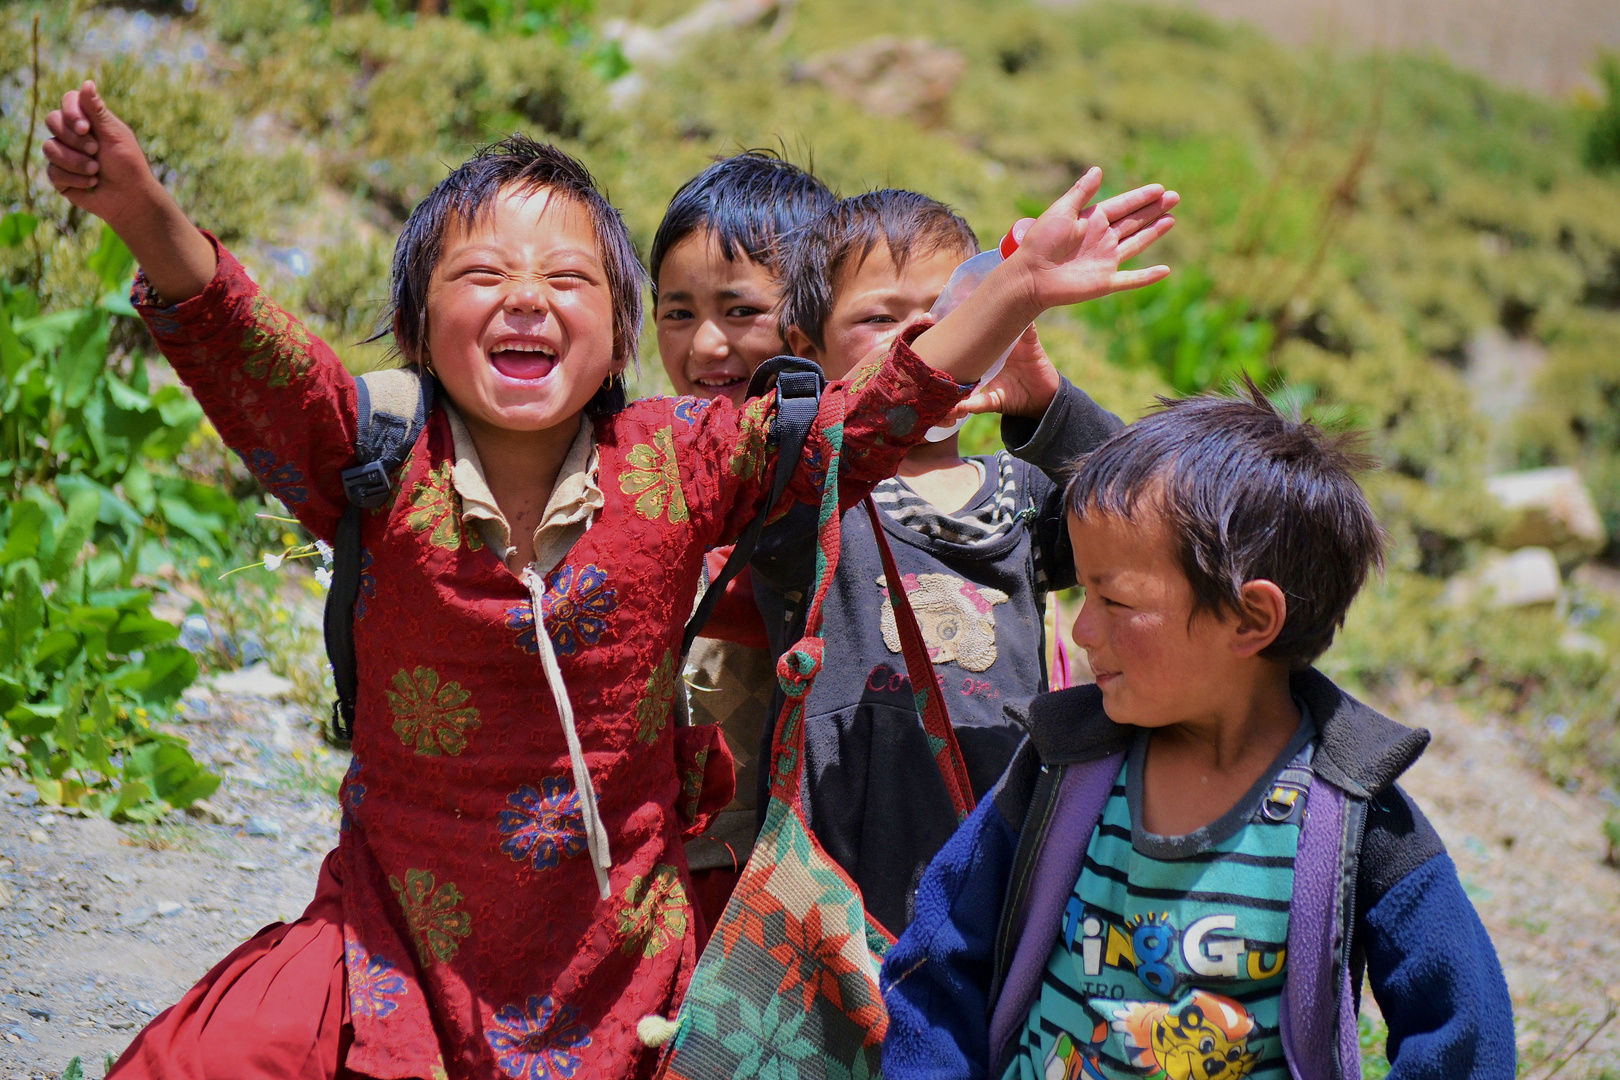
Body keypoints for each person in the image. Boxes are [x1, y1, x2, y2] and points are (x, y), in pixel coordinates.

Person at [42, 78, 1177, 1080]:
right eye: (481, 272)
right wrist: (141, 210)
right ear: (417, 318)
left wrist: (1018, 286)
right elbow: (245, 343)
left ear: (615, 325)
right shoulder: (371, 457)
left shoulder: (682, 461)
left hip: (626, 959)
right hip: (393, 933)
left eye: (568, 276)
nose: (526, 296)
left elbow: (867, 416)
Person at [880, 387, 1517, 1080]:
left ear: (1250, 620)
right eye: (1081, 596)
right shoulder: (1061, 768)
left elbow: (1465, 1032)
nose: (1083, 630)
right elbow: (939, 958)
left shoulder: (1356, 814)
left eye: (1114, 600)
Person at [757, 188, 1175, 934]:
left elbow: (1146, 520)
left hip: (999, 860)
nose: (926, 336)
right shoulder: (813, 489)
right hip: (837, 883)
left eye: (961, 310)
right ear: (805, 343)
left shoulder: (1020, 490)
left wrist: (1044, 403)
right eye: (881, 319)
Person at [648, 151, 835, 929]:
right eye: (679, 313)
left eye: (740, 311)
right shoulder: (647, 463)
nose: (706, 349)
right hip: (674, 869)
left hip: (793, 879)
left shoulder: (841, 477)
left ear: (811, 325)